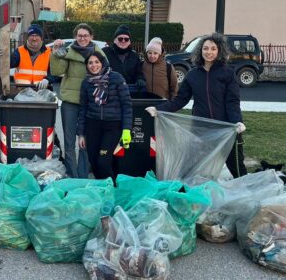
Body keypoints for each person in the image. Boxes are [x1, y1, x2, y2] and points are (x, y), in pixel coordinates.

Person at [146, 33, 247, 177]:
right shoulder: (193, 75)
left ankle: (246, 194)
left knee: (237, 167)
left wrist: (237, 122)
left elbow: (232, 101)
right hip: (201, 129)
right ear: (200, 50)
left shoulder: (227, 74)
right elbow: (181, 99)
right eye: (205, 48)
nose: (209, 52)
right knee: (191, 166)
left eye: (213, 49)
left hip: (227, 128)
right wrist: (158, 109)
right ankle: (186, 193)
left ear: (219, 51)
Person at [50, 23, 105, 178]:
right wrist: (55, 53)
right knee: (69, 141)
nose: (82, 38)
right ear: (75, 37)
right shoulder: (68, 52)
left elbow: (106, 73)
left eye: (85, 35)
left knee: (85, 141)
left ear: (91, 37)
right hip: (70, 101)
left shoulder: (99, 54)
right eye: (80, 35)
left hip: (90, 103)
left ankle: (83, 175)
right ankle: (72, 174)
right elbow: (57, 71)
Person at [77, 51, 133, 181]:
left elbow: (127, 105)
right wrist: (81, 134)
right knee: (94, 161)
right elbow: (83, 109)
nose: (93, 65)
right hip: (92, 125)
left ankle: (111, 189)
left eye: (97, 62)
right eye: (90, 63)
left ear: (103, 63)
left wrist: (126, 130)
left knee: (103, 161)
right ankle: (103, 188)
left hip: (112, 126)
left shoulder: (116, 78)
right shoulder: (86, 83)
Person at [102, 25, 145, 91]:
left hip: (129, 91)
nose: (123, 41)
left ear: (129, 41)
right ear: (115, 40)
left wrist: (140, 79)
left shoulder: (134, 56)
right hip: (110, 91)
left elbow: (139, 73)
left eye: (126, 39)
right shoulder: (105, 52)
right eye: (120, 39)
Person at [11, 24, 54, 89]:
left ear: (41, 37)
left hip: (42, 91)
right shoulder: (19, 51)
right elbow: (10, 63)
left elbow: (55, 71)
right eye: (31, 35)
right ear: (28, 37)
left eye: (37, 35)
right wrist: (1, 57)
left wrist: (47, 79)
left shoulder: (49, 52)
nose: (34, 38)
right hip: (22, 91)